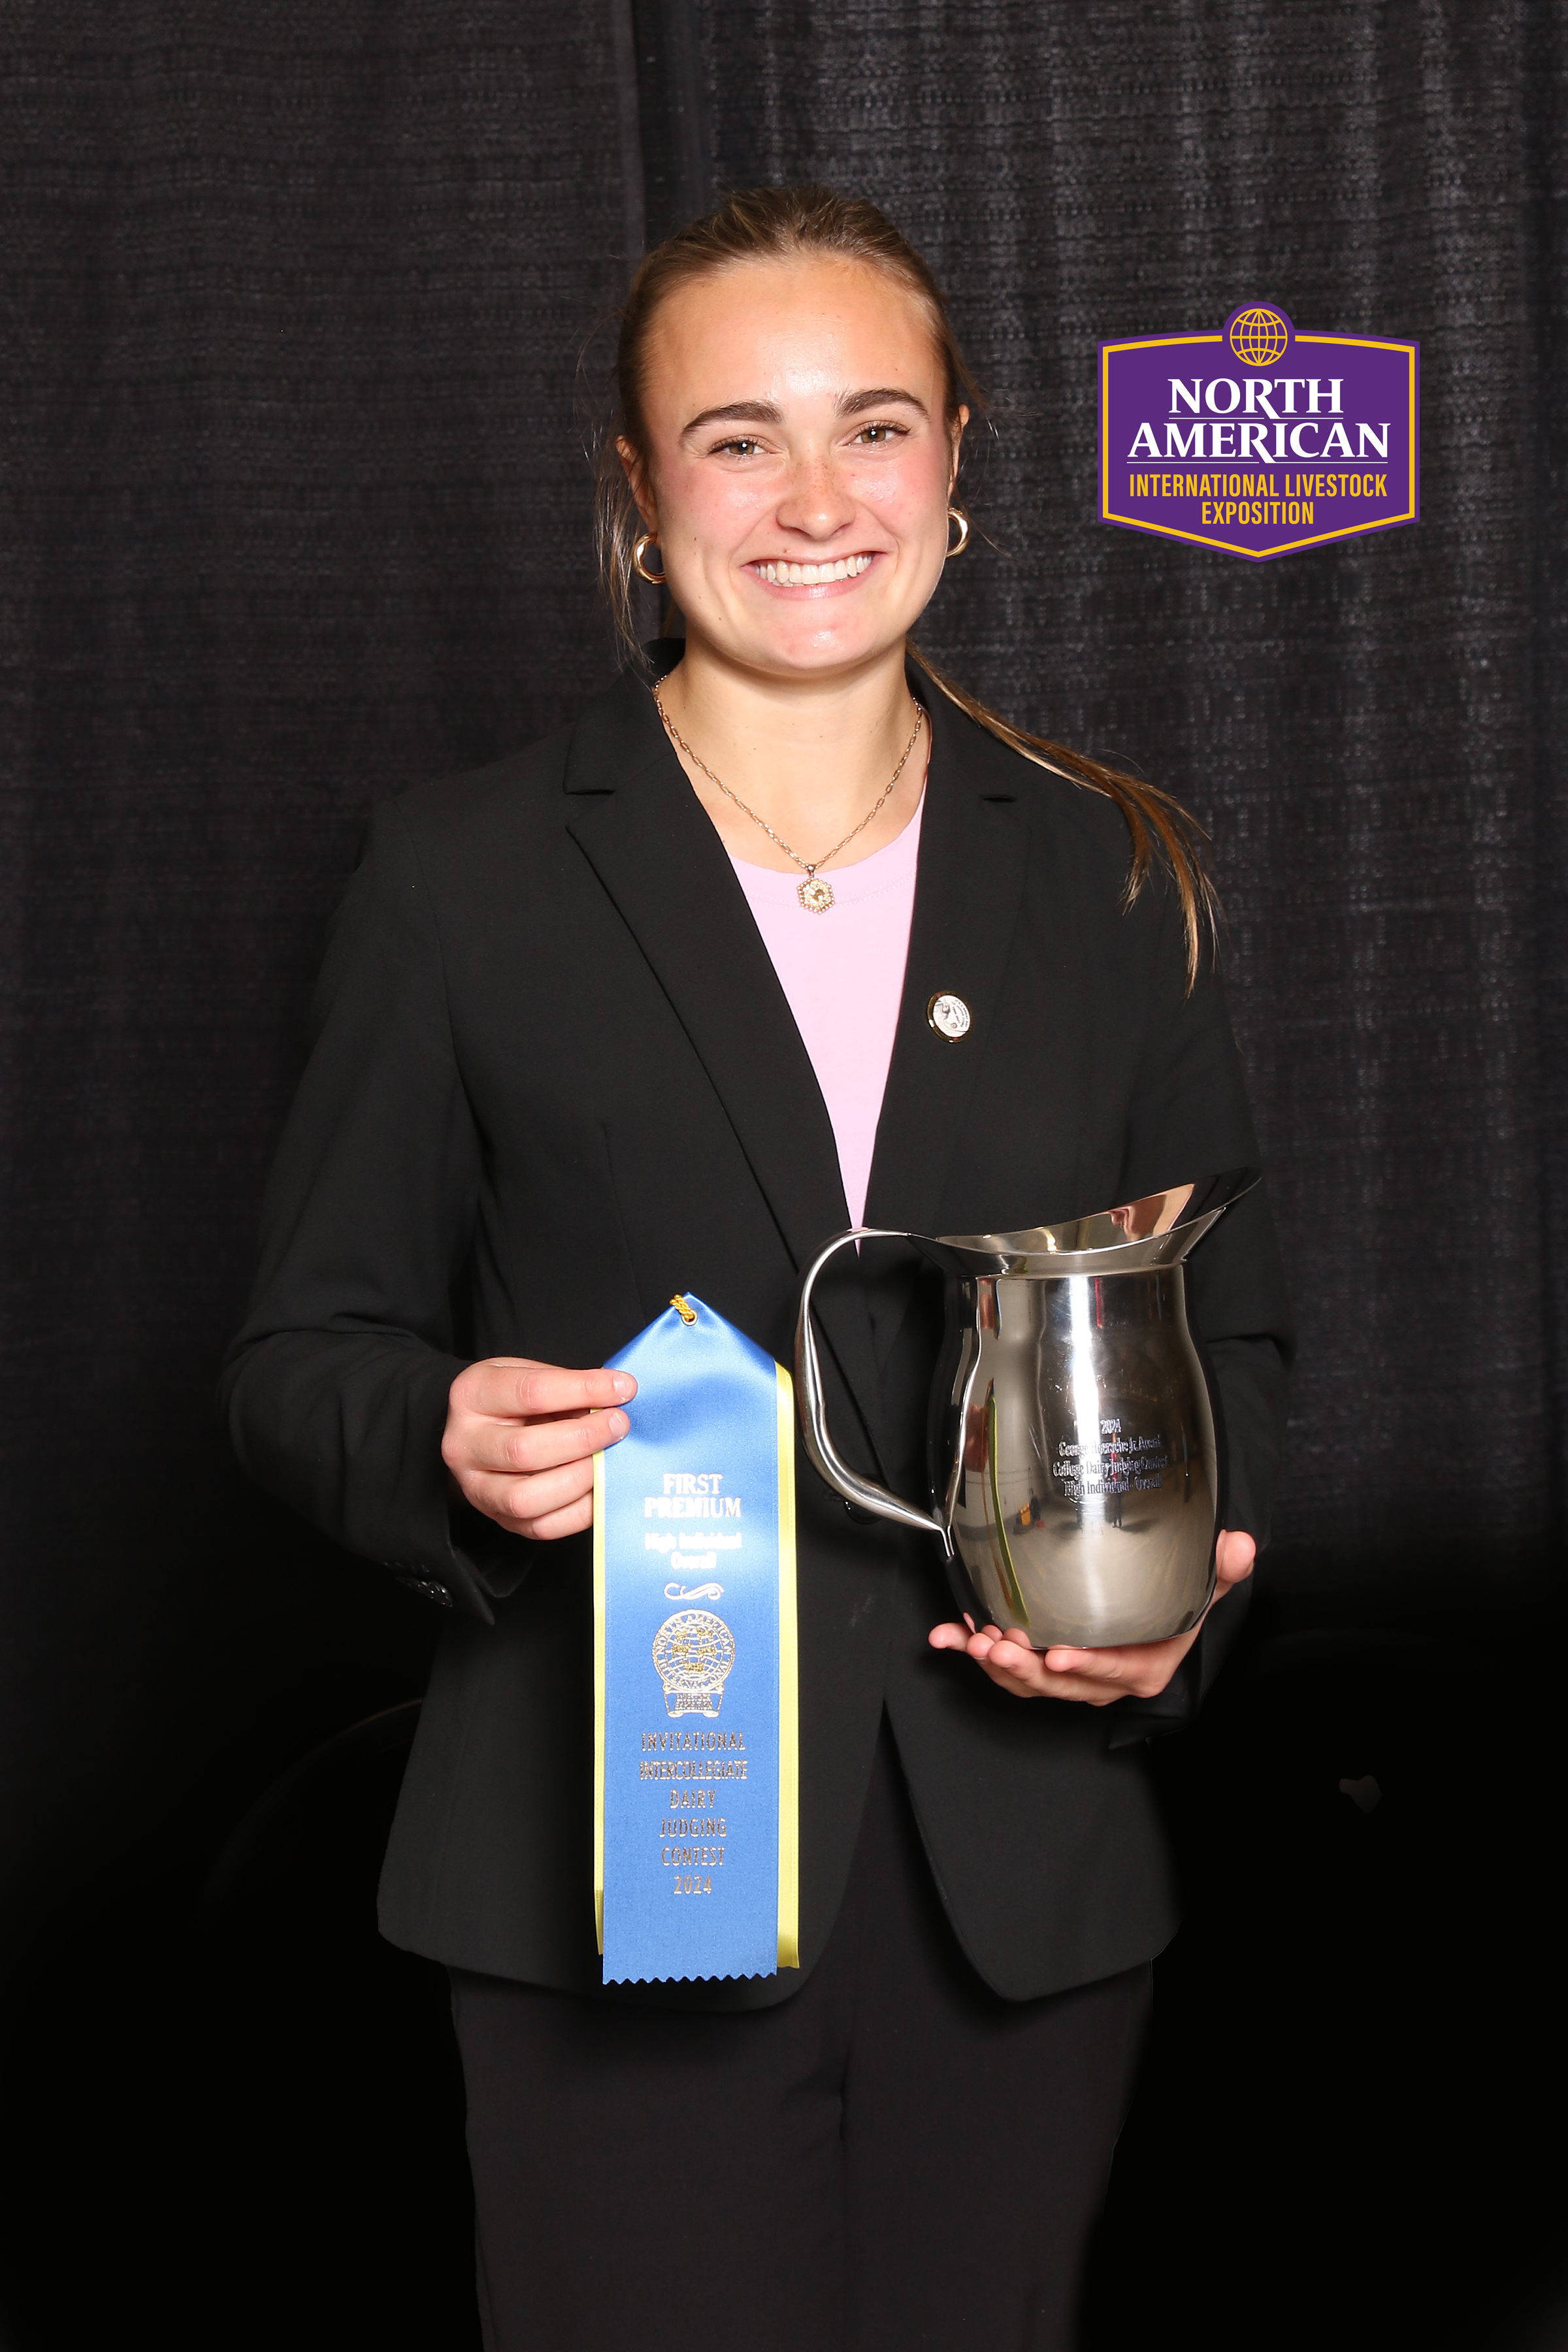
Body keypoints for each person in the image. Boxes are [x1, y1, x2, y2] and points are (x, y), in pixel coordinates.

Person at [221, 184, 1291, 2352]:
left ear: (963, 461)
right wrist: (434, 1438)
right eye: (736, 439)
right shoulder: (460, 872)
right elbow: (297, 1356)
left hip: (1022, 1873)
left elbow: (1230, 1333)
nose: (814, 499)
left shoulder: (1112, 867)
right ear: (637, 493)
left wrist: (1164, 1610)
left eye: (873, 427)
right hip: (610, 1861)